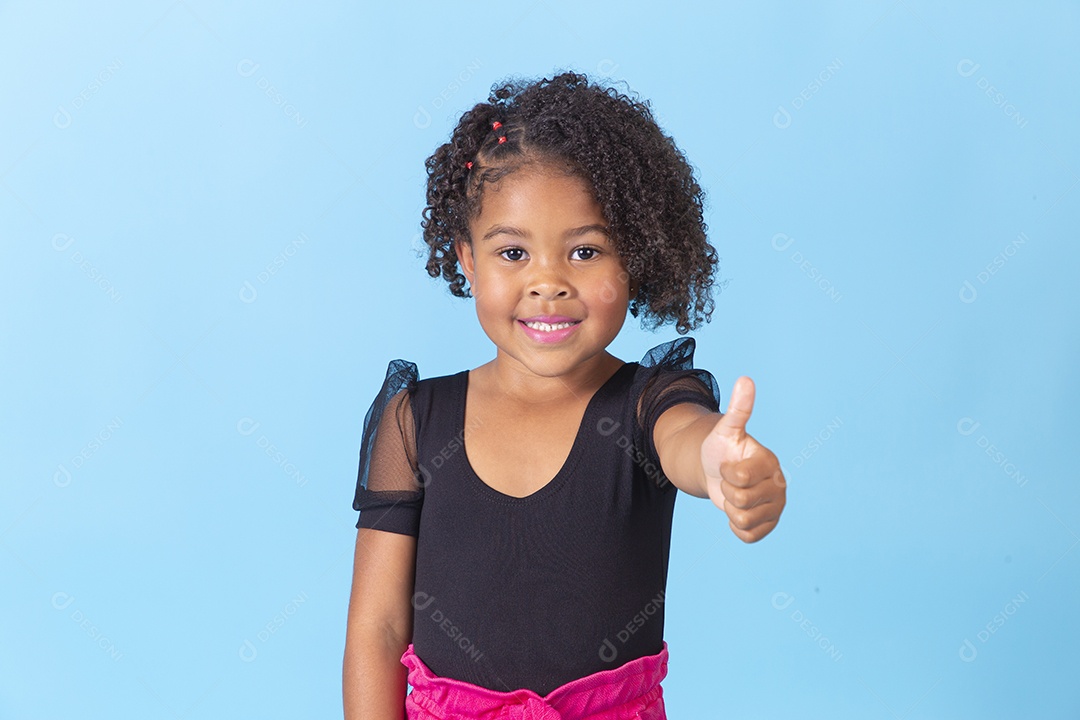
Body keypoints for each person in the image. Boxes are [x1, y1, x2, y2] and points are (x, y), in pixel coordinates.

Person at [342, 70, 787, 719]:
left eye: (583, 251)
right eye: (513, 252)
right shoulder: (416, 422)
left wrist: (722, 463)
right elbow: (377, 631)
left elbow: (686, 437)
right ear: (467, 259)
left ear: (635, 255)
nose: (547, 282)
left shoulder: (646, 404)